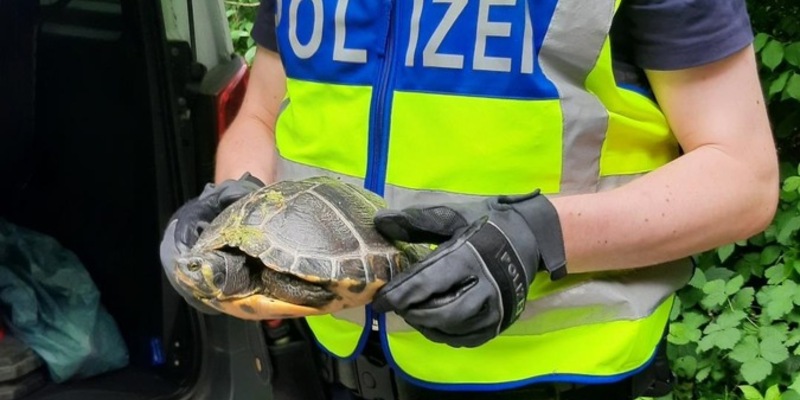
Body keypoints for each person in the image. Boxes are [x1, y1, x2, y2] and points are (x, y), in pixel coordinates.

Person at [160, 0, 779, 399]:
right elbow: (263, 115)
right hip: (336, 365)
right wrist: (234, 202)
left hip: (549, 375)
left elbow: (742, 178)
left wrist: (539, 235)